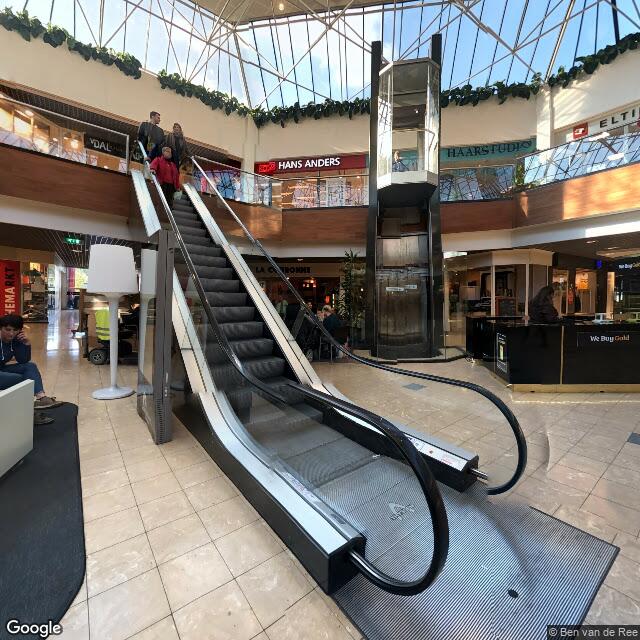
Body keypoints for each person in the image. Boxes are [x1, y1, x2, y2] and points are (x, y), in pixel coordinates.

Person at [0, 314, 62, 424]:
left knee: (30, 367)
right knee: (21, 380)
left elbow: (23, 360)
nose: (11, 333)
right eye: (7, 329)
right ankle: (29, 415)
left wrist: (26, 344)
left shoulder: (15, 340)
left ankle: (41, 398)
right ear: (1, 328)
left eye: (15, 330)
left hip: (2, 369)